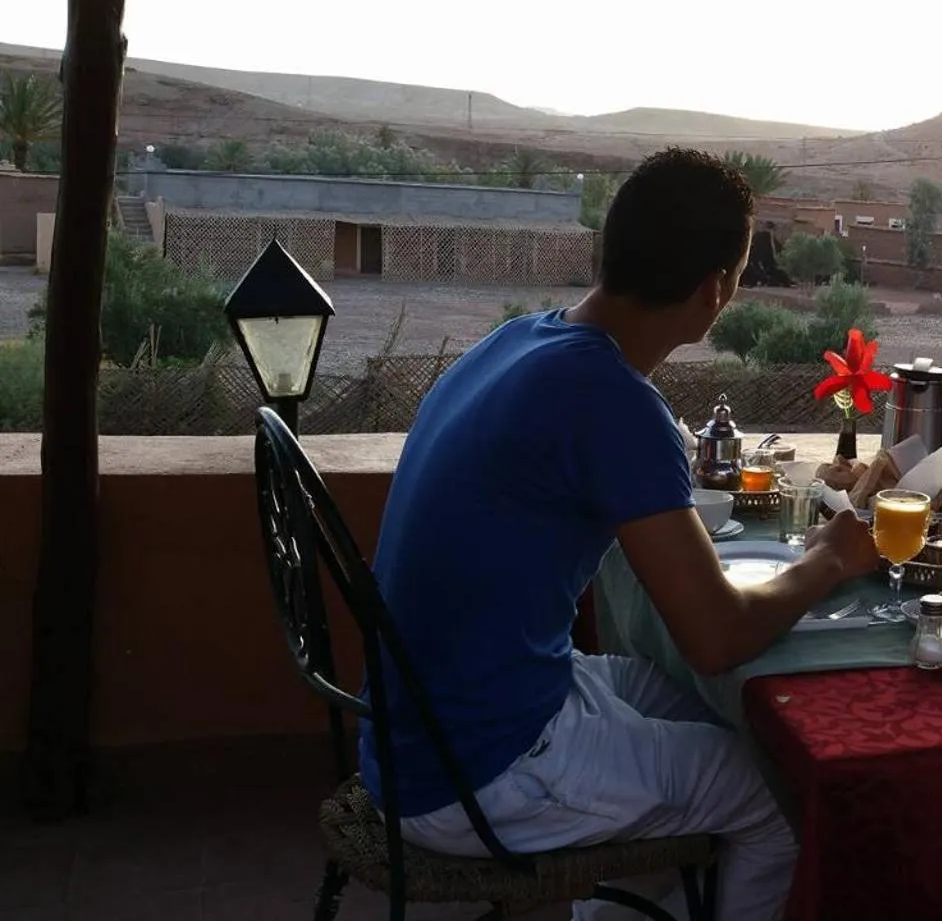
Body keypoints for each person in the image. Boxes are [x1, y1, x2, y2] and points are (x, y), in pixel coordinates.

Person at [361, 147, 882, 921]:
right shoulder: (609, 399)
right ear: (716, 289)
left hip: (424, 723)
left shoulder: (521, 340)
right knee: (778, 798)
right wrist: (832, 559)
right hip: (481, 767)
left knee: (709, 709)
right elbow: (716, 636)